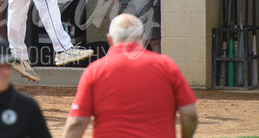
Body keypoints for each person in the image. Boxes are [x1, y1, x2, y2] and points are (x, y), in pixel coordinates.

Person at [62, 14, 198, 138]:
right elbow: (190, 113)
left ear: (110, 39)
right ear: (143, 38)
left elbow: (77, 123)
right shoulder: (167, 66)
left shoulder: (95, 70)